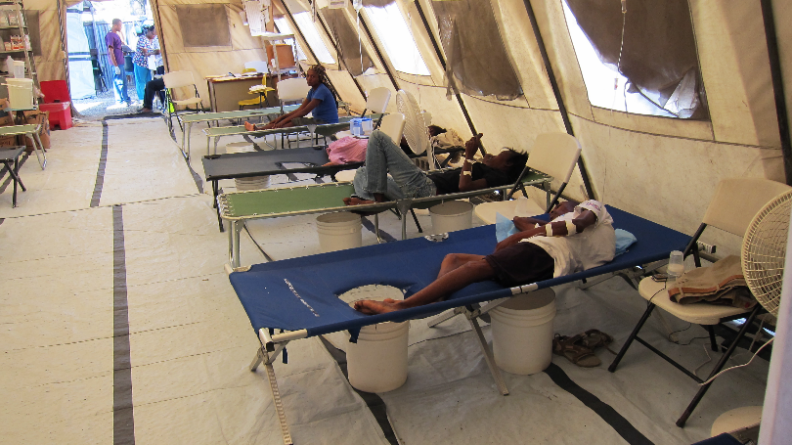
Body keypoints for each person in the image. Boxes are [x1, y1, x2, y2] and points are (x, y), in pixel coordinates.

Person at [354, 199, 616, 315]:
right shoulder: (557, 227)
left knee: (475, 269)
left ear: (574, 205)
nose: (555, 210)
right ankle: (439, 297)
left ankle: (404, 306)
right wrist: (541, 223)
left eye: (560, 206)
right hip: (536, 251)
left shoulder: (592, 209)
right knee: (453, 258)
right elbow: (519, 220)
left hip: (546, 256)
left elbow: (579, 223)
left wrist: (518, 237)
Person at [342, 132, 527, 206]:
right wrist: (478, 162)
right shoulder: (490, 172)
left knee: (378, 137)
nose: (494, 155)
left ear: (507, 164)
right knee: (362, 172)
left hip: (425, 188)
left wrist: (469, 156)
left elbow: (464, 187)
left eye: (501, 154)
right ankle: (371, 200)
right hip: (421, 187)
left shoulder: (498, 177)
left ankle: (376, 199)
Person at [244, 64, 338, 131]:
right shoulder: (313, 90)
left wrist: (283, 121)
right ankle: (259, 129)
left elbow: (304, 112)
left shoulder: (322, 90)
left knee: (294, 122)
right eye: (308, 76)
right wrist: (281, 118)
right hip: (319, 120)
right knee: (284, 120)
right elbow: (300, 109)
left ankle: (259, 130)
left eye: (313, 77)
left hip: (327, 123)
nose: (309, 78)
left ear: (319, 78)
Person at [106, 18, 131, 106]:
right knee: (120, 81)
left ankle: (123, 99)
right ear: (115, 25)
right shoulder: (110, 35)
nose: (121, 27)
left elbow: (121, 45)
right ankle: (122, 100)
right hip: (116, 63)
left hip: (120, 61)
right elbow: (110, 50)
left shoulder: (116, 35)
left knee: (121, 80)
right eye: (120, 25)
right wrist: (115, 65)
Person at [133, 25, 159, 102]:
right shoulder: (142, 39)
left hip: (150, 64)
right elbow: (146, 52)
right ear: (148, 31)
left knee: (149, 81)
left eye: (155, 34)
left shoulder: (155, 40)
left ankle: (149, 97)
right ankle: (141, 99)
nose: (154, 36)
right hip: (140, 63)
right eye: (153, 34)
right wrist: (155, 52)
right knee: (141, 81)